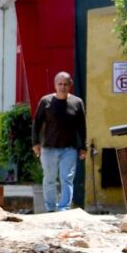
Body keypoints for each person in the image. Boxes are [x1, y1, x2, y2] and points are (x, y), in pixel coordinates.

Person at [34, 72, 87, 212]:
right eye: (60, 84)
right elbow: (37, 123)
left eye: (65, 84)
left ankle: (64, 208)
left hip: (69, 149)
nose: (62, 87)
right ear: (55, 85)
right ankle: (51, 208)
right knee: (50, 179)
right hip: (49, 148)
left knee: (67, 179)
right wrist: (35, 143)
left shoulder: (77, 102)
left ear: (70, 85)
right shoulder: (46, 101)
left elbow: (82, 126)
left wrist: (83, 146)